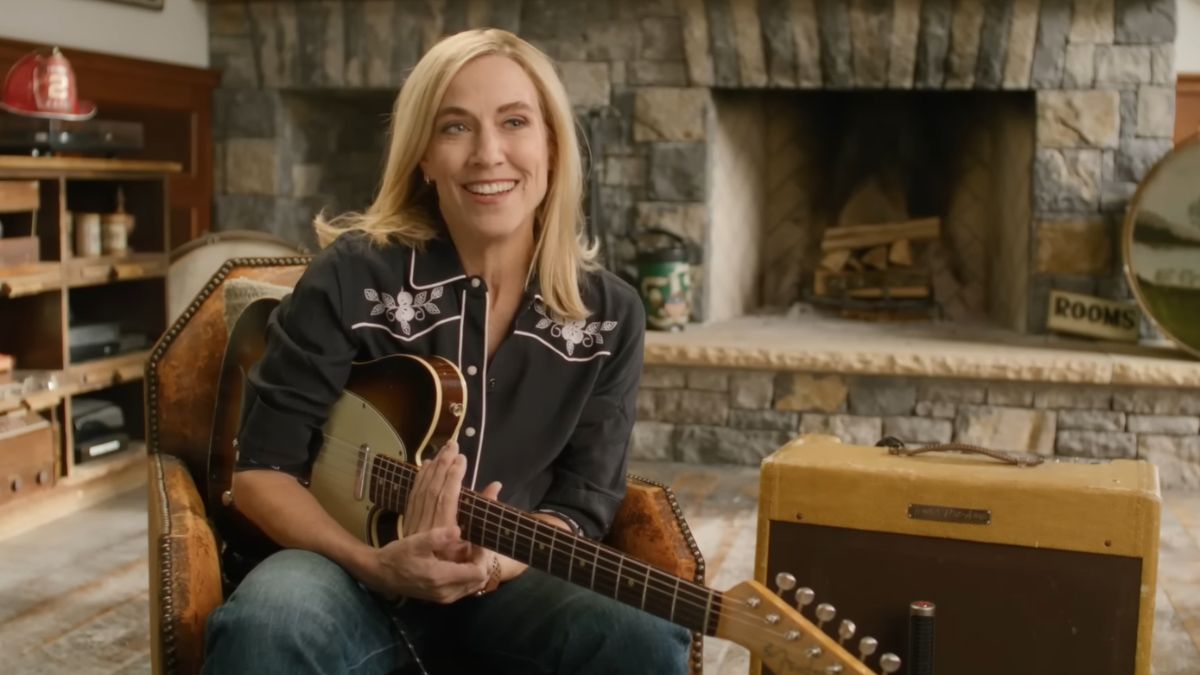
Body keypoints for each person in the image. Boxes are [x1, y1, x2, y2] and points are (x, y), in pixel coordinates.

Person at [201, 27, 691, 675]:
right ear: (423, 158)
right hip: (339, 568)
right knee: (267, 624)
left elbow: (580, 503)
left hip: (514, 586)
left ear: (552, 144)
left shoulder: (611, 315)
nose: (489, 154)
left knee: (646, 635)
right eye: (455, 127)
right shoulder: (352, 275)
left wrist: (492, 562)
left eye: (515, 121)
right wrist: (374, 562)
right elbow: (261, 469)